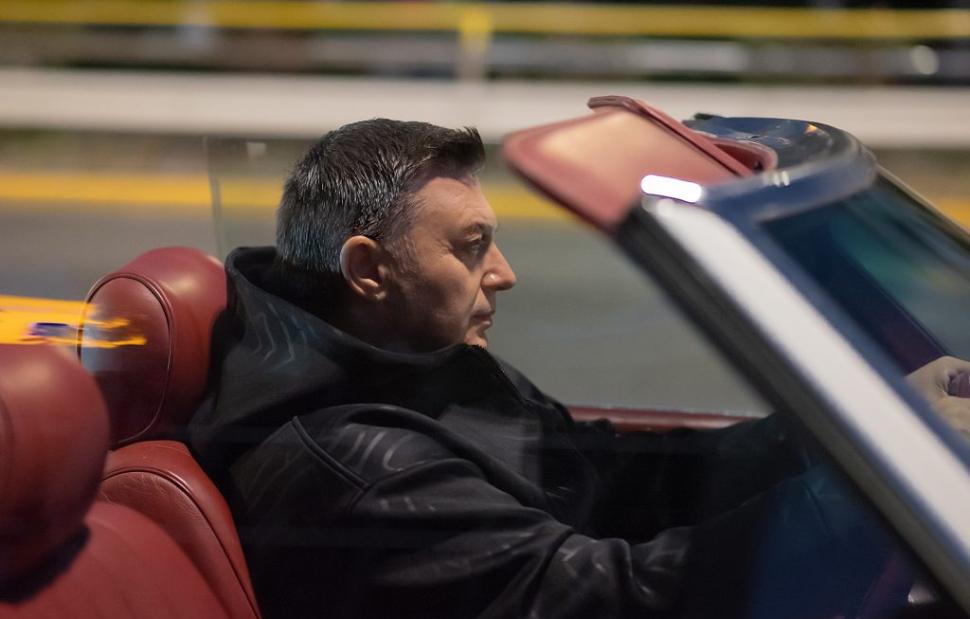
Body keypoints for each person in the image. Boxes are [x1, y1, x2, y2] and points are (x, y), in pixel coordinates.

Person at [189, 119, 970, 619]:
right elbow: (603, 597)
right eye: (470, 247)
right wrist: (868, 496)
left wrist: (857, 434)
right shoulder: (360, 468)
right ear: (368, 270)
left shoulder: (417, 366)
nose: (505, 272)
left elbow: (615, 470)